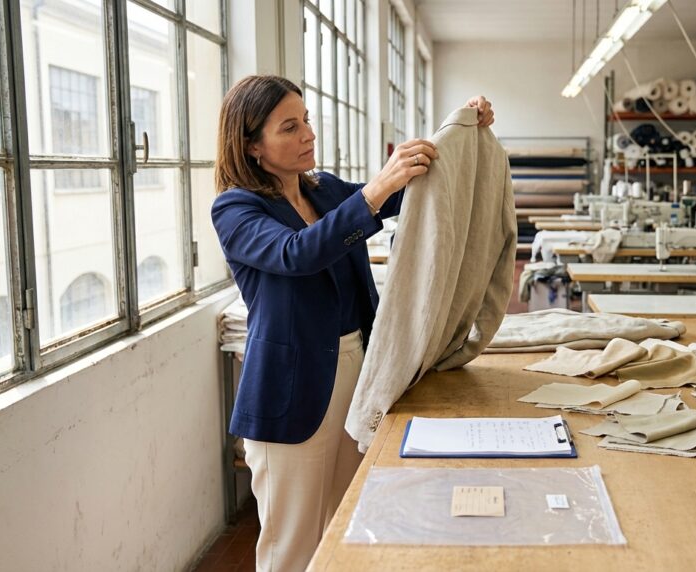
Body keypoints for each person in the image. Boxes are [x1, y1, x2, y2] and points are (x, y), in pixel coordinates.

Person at [211, 74, 494, 571]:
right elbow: (296, 254)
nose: (308, 135)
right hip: (292, 394)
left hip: (357, 371)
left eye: (307, 121)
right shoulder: (236, 208)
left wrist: (461, 129)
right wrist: (374, 190)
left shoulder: (321, 191)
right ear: (252, 145)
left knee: (348, 526)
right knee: (291, 549)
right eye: (290, 127)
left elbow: (416, 193)